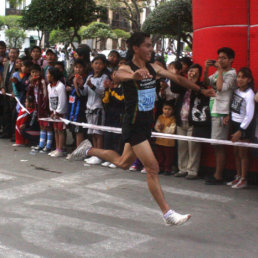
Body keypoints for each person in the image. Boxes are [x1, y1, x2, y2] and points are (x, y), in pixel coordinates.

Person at [82, 32, 215, 225]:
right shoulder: (126, 67)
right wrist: (133, 75)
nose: (151, 49)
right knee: (153, 167)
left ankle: (87, 149)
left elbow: (178, 79)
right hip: (133, 123)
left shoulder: (154, 67)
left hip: (146, 123)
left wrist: (200, 90)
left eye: (152, 45)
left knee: (123, 162)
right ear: (135, 48)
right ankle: (167, 214)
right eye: (147, 45)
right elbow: (118, 75)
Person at [203, 47, 237, 184]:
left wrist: (221, 71)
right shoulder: (219, 71)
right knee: (216, 144)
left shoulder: (232, 73)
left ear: (231, 60)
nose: (220, 60)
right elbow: (206, 83)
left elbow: (221, 88)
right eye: (219, 57)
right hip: (214, 109)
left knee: (219, 144)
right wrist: (206, 69)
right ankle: (217, 173)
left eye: (223, 58)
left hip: (223, 111)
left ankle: (218, 175)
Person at [172, 64, 203, 180]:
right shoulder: (183, 85)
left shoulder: (200, 86)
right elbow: (174, 88)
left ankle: (193, 171)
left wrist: (194, 83)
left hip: (193, 121)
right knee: (182, 146)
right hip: (181, 119)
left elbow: (201, 94)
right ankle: (182, 169)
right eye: (190, 71)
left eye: (195, 72)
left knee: (193, 147)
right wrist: (176, 73)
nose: (192, 74)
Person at [226, 67, 255, 189]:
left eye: (243, 77)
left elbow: (249, 115)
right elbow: (233, 107)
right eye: (239, 76)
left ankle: (244, 179)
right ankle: (238, 175)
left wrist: (241, 130)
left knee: (243, 154)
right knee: (236, 152)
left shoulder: (250, 94)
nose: (240, 79)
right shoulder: (237, 91)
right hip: (234, 123)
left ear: (249, 79)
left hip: (243, 127)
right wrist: (228, 116)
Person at [79, 54, 108, 165]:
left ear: (104, 65)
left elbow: (102, 92)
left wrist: (91, 86)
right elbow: (84, 92)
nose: (98, 66)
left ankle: (99, 155)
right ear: (92, 65)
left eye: (100, 63)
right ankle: (95, 154)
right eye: (96, 63)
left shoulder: (104, 77)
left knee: (98, 133)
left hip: (98, 108)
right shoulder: (89, 77)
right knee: (92, 133)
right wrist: (81, 85)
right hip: (89, 108)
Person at [27, 64, 52, 153]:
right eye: (32, 72)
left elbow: (46, 96)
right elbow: (30, 94)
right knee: (41, 125)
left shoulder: (43, 82)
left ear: (40, 72)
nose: (34, 74)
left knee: (47, 125)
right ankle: (41, 144)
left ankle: (48, 145)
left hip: (44, 108)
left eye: (36, 72)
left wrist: (45, 106)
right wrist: (31, 84)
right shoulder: (33, 83)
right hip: (37, 107)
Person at [101, 69, 124, 168]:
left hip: (119, 115)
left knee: (116, 137)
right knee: (107, 136)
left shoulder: (123, 87)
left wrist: (112, 90)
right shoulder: (109, 87)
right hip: (109, 114)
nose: (115, 76)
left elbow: (121, 99)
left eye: (118, 74)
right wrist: (107, 90)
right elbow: (105, 101)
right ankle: (108, 158)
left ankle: (117, 158)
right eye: (114, 74)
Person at [66, 59, 87, 149]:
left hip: (80, 108)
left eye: (80, 67)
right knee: (73, 128)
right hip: (72, 107)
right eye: (76, 67)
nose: (78, 69)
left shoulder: (84, 79)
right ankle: (76, 148)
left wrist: (76, 84)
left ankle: (79, 150)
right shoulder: (71, 77)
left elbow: (80, 94)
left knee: (79, 130)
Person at [47, 67, 67, 157]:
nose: (47, 75)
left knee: (60, 130)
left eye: (48, 74)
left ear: (53, 76)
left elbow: (62, 101)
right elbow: (50, 99)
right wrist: (52, 111)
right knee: (55, 130)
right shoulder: (49, 86)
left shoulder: (60, 86)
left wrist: (58, 112)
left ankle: (60, 149)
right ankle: (56, 148)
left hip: (60, 113)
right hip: (54, 112)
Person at [0, 48, 19, 139]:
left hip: (14, 93)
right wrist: (2, 87)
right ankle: (6, 132)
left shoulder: (18, 64)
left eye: (14, 53)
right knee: (5, 113)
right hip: (5, 93)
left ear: (17, 54)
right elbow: (3, 76)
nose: (12, 55)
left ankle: (13, 134)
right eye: (11, 53)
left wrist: (14, 91)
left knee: (13, 114)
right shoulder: (6, 63)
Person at [154, 101, 176, 176]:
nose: (167, 111)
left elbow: (172, 130)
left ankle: (167, 169)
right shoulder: (160, 117)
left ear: (173, 110)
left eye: (169, 109)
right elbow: (156, 127)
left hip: (169, 142)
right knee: (160, 155)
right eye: (165, 109)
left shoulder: (173, 119)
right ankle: (160, 168)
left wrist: (163, 129)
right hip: (159, 141)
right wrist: (159, 128)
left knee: (168, 157)